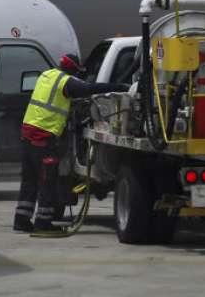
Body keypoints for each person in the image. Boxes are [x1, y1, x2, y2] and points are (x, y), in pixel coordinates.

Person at [14, 53, 129, 232]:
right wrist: (120, 87)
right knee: (47, 180)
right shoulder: (65, 82)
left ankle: (21, 219)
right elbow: (89, 88)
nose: (77, 75)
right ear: (72, 69)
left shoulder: (47, 75)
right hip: (43, 138)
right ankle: (43, 222)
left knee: (29, 180)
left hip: (28, 134)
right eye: (76, 72)